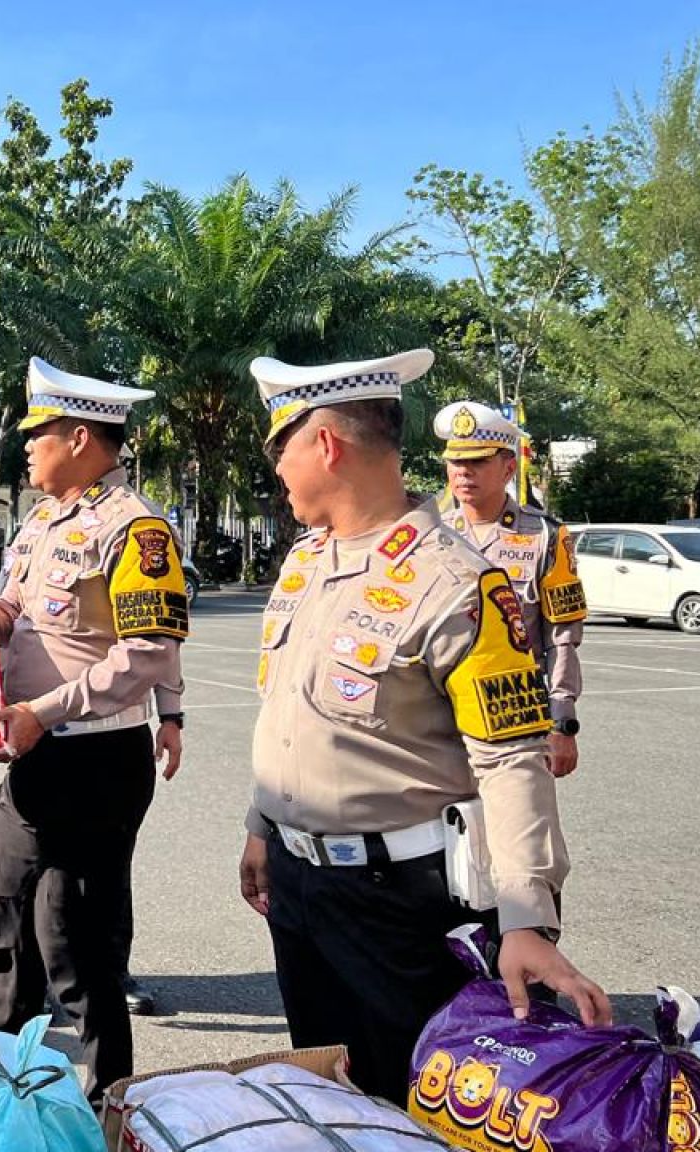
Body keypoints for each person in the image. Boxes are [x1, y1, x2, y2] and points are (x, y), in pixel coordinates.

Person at [241, 350, 610, 1105]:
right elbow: (288, 714)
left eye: (282, 448)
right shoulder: (307, 562)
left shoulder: (457, 582)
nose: (277, 469)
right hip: (299, 887)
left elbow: (511, 759)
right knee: (329, 1095)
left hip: (399, 904)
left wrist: (526, 919)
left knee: (413, 1104)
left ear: (326, 445)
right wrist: (261, 827)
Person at [0, 357, 189, 1103]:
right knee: (6, 930)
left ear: (77, 438)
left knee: (72, 944)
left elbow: (149, 651)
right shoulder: (41, 521)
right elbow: (14, 610)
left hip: (96, 757)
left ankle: (109, 1103)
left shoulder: (137, 529)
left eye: (37, 435)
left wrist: (49, 711)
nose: (26, 447)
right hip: (31, 754)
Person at [434, 401, 587, 778]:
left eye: (478, 461)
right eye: (456, 462)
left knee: (518, 814)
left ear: (508, 468)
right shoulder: (432, 534)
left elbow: (562, 638)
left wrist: (562, 721)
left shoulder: (545, 537)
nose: (463, 471)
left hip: (512, 713)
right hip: (439, 715)